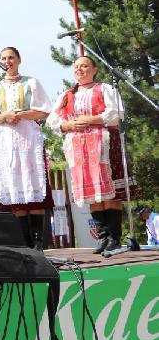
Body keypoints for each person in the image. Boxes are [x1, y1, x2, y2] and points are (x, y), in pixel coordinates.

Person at [47, 56, 125, 253]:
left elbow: (115, 113)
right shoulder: (67, 95)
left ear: (95, 69)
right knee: (92, 195)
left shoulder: (104, 89)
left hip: (103, 144)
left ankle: (114, 237)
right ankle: (102, 237)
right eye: (76, 67)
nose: (79, 69)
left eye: (84, 65)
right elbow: (52, 120)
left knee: (110, 192)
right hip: (80, 149)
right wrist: (68, 124)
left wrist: (91, 119)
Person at [0, 47, 52, 249]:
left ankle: (38, 241)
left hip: (28, 139)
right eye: (4, 58)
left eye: (11, 57)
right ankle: (25, 241)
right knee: (16, 188)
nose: (7, 61)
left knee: (32, 184)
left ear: (19, 60)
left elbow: (44, 111)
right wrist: (5, 116)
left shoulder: (31, 82)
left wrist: (21, 114)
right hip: (7, 141)